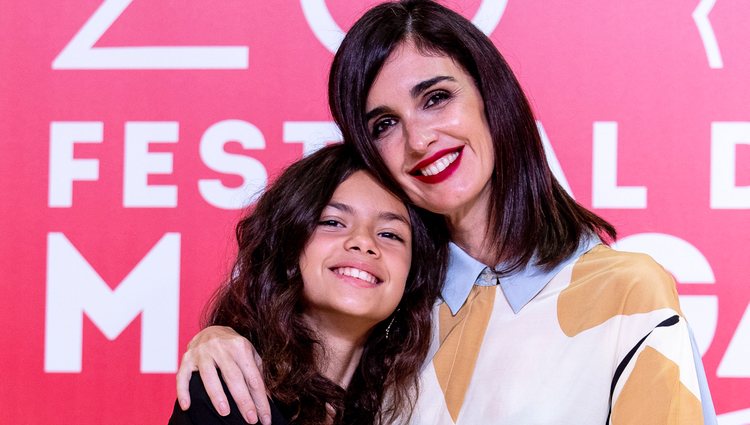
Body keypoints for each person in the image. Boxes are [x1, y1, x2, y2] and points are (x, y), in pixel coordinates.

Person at [176, 1, 717, 424]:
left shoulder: (626, 294)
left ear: (490, 97)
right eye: (384, 124)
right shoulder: (393, 305)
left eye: (435, 97)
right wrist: (222, 340)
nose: (419, 139)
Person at [169, 143, 449, 424]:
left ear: (412, 276)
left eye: (390, 234)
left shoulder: (412, 408)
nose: (364, 242)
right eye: (333, 222)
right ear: (288, 247)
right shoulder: (230, 394)